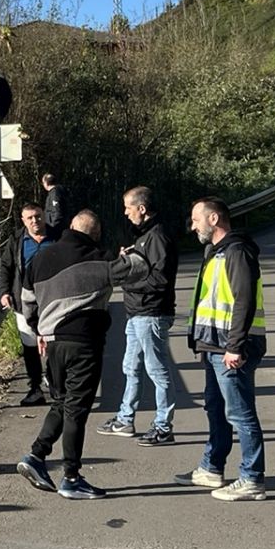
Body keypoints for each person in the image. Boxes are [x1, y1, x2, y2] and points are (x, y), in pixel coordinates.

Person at [15, 210, 126, 500]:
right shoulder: (98, 259)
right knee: (77, 409)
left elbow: (26, 303)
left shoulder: (39, 259)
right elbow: (135, 270)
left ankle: (36, 456)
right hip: (84, 341)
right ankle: (72, 477)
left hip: (52, 343)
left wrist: (40, 328)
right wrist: (132, 252)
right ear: (95, 233)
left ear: (70, 227)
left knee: (62, 402)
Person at [185, 196, 267, 500]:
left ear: (214, 219)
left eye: (196, 219)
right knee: (216, 409)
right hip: (215, 345)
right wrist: (201, 343)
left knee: (240, 413)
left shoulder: (237, 252)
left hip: (231, 348)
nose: (192, 226)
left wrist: (235, 346)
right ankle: (212, 468)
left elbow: (243, 300)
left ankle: (251, 478)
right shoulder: (216, 252)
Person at [99, 185, 180, 445]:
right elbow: (145, 267)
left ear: (141, 209)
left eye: (128, 207)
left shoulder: (157, 236)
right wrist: (130, 258)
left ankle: (163, 426)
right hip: (137, 313)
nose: (125, 213)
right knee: (130, 366)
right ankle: (125, 419)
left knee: (157, 371)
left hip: (151, 312)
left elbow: (159, 278)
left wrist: (129, 282)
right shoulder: (145, 236)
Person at [0, 202, 51, 406]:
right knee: (30, 346)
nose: (35, 221)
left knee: (54, 345)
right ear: (23, 220)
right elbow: (6, 268)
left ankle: (54, 382)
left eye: (38, 216)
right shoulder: (17, 240)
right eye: (30, 218)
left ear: (44, 215)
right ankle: (35, 388)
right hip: (24, 301)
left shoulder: (59, 237)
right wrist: (5, 292)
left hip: (52, 300)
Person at [41, 172, 72, 242]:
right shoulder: (59, 191)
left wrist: (53, 227)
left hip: (56, 229)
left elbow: (57, 211)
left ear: (46, 183)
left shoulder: (55, 193)